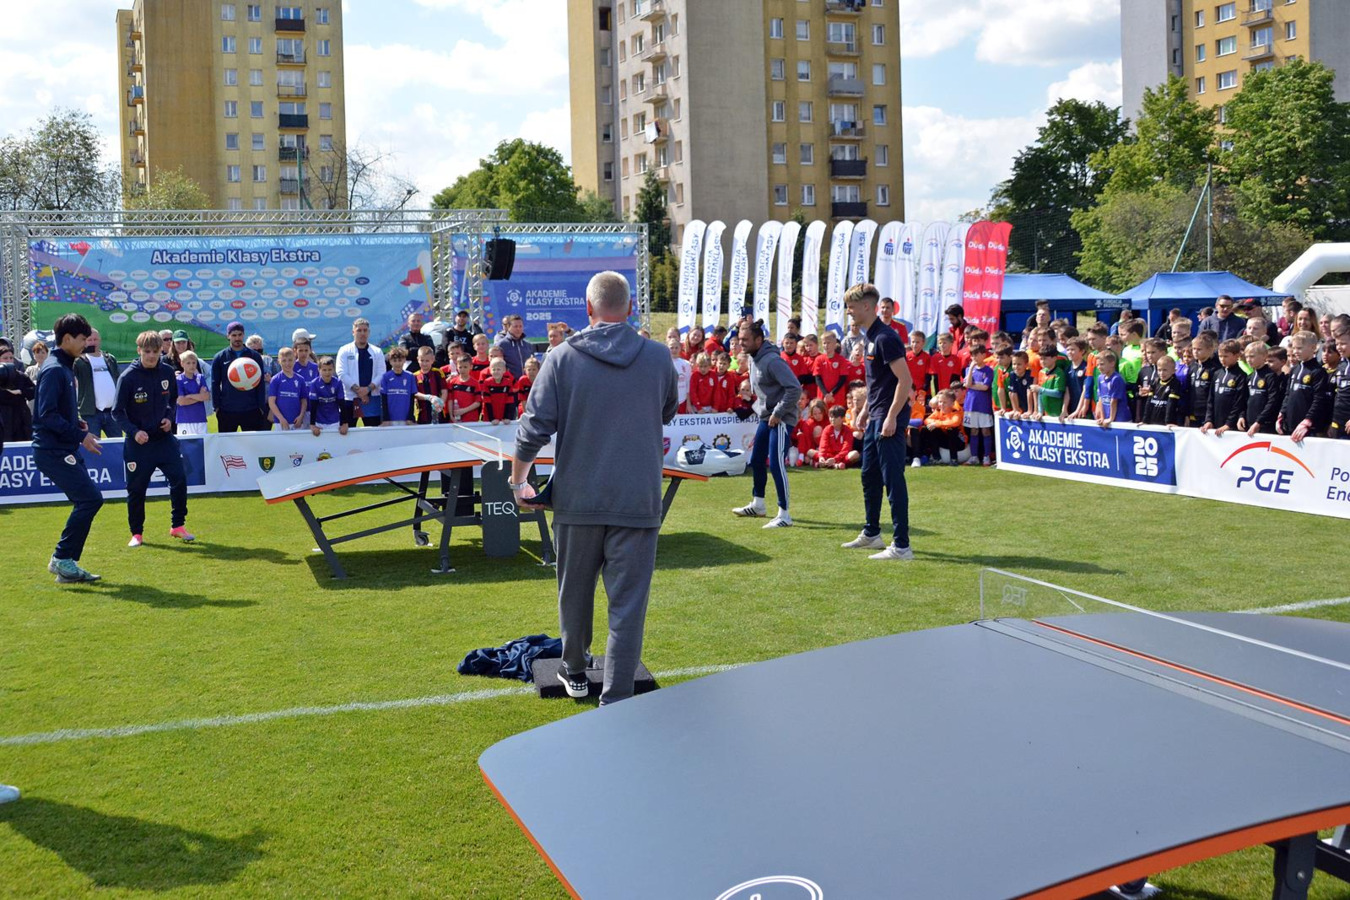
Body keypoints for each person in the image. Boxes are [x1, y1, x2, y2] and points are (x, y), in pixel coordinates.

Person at [509, 270, 678, 705]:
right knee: (628, 607)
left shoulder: (561, 357)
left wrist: (519, 482)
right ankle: (616, 697)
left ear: (588, 308)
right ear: (631, 308)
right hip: (637, 499)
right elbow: (667, 411)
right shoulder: (659, 357)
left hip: (578, 499)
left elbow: (533, 429)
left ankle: (575, 668)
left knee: (575, 595)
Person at [842, 283, 915, 560]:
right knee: (869, 475)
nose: (849, 311)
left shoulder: (885, 338)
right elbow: (878, 382)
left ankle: (902, 546)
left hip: (888, 418)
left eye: (852, 306)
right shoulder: (870, 337)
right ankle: (872, 533)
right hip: (876, 415)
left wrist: (892, 416)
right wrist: (865, 411)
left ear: (867, 307)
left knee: (893, 479)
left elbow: (904, 380)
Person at [33, 314, 105, 583]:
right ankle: (62, 559)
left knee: (89, 499)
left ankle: (65, 564)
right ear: (67, 339)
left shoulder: (63, 366)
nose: (86, 343)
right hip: (52, 451)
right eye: (83, 339)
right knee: (90, 499)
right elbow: (46, 415)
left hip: (61, 448)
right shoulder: (54, 369)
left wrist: (76, 421)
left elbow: (56, 411)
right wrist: (80, 436)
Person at [113, 331, 194, 548]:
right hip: (138, 444)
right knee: (137, 489)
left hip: (164, 439)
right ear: (139, 350)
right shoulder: (128, 377)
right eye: (147, 351)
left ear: (161, 351)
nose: (151, 356)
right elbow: (117, 412)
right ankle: (136, 533)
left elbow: (173, 400)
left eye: (155, 351)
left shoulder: (167, 372)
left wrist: (169, 417)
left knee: (179, 479)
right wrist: (134, 432)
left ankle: (178, 526)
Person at [731, 319, 801, 528]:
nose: (741, 343)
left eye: (745, 339)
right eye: (740, 339)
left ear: (758, 340)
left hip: (781, 419)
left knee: (777, 464)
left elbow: (795, 389)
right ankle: (758, 504)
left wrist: (778, 412)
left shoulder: (772, 361)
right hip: (766, 417)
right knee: (756, 460)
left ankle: (784, 514)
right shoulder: (754, 357)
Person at [210, 322, 268, 432]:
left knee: (252, 442)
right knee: (227, 443)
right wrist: (216, 407)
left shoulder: (254, 356)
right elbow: (215, 383)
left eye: (240, 335)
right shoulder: (220, 357)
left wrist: (261, 407)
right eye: (234, 335)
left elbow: (260, 383)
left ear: (243, 335)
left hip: (251, 409)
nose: (237, 338)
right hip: (227, 410)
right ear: (228, 336)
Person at [1279, 331, 1332, 441]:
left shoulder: (1318, 371)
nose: (1295, 351)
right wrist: (1282, 414)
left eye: (1299, 348)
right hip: (1291, 424)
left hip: (1308, 428)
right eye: (1294, 348)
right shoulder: (1294, 370)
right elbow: (1288, 395)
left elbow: (1319, 399)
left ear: (1313, 348)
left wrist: (1308, 420)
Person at [72, 328, 122, 438]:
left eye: (95, 339)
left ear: (99, 340)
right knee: (93, 445)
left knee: (118, 444)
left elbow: (119, 380)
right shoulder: (78, 361)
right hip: (91, 414)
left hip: (112, 412)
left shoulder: (110, 358)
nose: (93, 342)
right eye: (89, 340)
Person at [336, 318, 385, 427]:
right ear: (353, 332)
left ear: (369, 332)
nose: (362, 333)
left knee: (373, 431)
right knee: (347, 431)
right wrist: (359, 391)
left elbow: (381, 374)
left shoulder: (377, 351)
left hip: (372, 398)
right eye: (359, 330)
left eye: (365, 330)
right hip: (349, 398)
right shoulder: (344, 350)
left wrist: (367, 389)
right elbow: (341, 373)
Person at [1201, 340, 1248, 436]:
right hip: (1215, 423)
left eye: (1226, 356)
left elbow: (1239, 403)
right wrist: (1208, 420)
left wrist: (1229, 424)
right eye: (1220, 356)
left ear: (1237, 356)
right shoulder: (1217, 374)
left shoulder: (1241, 376)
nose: (1222, 359)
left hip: (1231, 427)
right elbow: (1211, 399)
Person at [1239, 343, 1283, 437]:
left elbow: (1272, 400)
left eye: (1252, 356)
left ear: (1264, 356)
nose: (1248, 360)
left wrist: (1259, 421)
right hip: (1249, 422)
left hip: (1265, 424)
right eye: (1247, 357)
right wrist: (1241, 416)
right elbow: (1244, 399)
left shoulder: (1270, 376)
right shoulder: (1250, 377)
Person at [962, 346, 995, 465]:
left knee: (986, 430)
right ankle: (974, 456)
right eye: (972, 355)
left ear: (984, 355)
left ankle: (986, 457)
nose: (974, 357)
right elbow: (967, 384)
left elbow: (985, 387)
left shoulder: (988, 370)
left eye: (977, 354)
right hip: (971, 405)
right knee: (974, 430)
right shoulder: (968, 369)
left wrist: (971, 385)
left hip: (983, 405)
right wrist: (971, 368)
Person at [267, 347, 310, 430]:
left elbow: (304, 400)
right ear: (279, 361)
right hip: (280, 423)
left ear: (294, 360)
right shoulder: (275, 379)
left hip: (297, 422)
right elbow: (271, 402)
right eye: (284, 360)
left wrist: (301, 416)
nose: (287, 363)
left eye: (290, 360)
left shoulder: (300, 379)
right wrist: (281, 418)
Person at [0, 344, 35, 442]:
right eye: (5, 358)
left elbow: (34, 391)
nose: (9, 360)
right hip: (3, 417)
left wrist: (21, 391)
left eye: (11, 358)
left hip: (20, 418)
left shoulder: (20, 376)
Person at [1140, 355, 1187, 427]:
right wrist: (1145, 421)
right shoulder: (1155, 382)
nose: (1161, 373)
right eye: (1159, 370)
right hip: (1153, 421)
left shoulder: (1175, 383)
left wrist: (1169, 422)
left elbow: (1171, 404)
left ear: (1173, 371)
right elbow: (1148, 403)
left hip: (1167, 424)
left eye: (1165, 370)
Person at [308, 357, 347, 435]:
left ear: (333, 370)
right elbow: (313, 405)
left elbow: (342, 404)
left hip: (335, 422)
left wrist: (344, 423)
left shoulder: (338, 382)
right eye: (324, 370)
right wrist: (312, 424)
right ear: (319, 370)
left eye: (329, 369)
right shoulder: (314, 383)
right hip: (319, 422)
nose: (327, 372)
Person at [378, 347, 417, 426]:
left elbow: (412, 398)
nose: (397, 363)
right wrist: (386, 419)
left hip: (406, 419)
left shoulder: (410, 376)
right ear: (390, 361)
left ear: (404, 360)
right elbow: (383, 399)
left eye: (400, 360)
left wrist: (410, 417)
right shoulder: (386, 377)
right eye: (394, 360)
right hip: (390, 420)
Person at [175, 351, 210, 436]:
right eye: (188, 363)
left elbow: (206, 396)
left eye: (194, 363)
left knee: (202, 443)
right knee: (186, 444)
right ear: (182, 364)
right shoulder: (179, 380)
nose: (192, 365)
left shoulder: (200, 378)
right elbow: (181, 401)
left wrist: (190, 396)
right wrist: (199, 397)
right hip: (185, 420)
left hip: (200, 418)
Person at [412, 346, 448, 424]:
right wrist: (428, 397)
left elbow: (444, 391)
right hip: (422, 414)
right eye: (422, 360)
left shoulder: (438, 372)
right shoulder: (414, 376)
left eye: (427, 361)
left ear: (433, 359)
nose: (424, 363)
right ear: (418, 359)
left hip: (438, 411)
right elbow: (415, 393)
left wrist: (441, 403)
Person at [1094, 351, 1130, 428]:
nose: (1099, 367)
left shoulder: (1116, 379)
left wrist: (1111, 419)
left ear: (1112, 364)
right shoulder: (1100, 378)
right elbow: (1100, 399)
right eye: (1097, 365)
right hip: (1107, 419)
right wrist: (1102, 417)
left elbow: (1114, 401)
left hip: (1120, 419)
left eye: (1102, 364)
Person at [495, 314, 532, 379]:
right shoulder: (501, 345)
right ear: (509, 327)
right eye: (515, 326)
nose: (518, 329)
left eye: (520, 326)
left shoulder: (528, 345)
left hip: (526, 382)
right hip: (509, 383)